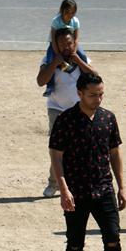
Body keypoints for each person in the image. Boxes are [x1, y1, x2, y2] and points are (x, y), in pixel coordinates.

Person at [49, 72, 126, 251]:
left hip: (104, 189)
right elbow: (56, 156)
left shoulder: (108, 119)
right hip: (76, 191)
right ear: (80, 93)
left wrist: (122, 186)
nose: (98, 99)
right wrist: (63, 189)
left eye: (101, 94)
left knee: (113, 239)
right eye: (93, 95)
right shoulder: (66, 120)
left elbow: (115, 152)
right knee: (75, 243)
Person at [38, 29, 97, 198]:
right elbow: (40, 81)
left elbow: (95, 77)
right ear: (55, 45)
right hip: (57, 108)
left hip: (80, 109)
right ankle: (53, 183)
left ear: (75, 43)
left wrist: (79, 61)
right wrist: (54, 64)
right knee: (58, 148)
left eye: (69, 43)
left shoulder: (82, 58)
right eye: (62, 44)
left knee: (82, 146)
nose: (66, 47)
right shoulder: (49, 59)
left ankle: (80, 181)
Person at [43, 0, 86, 95]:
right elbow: (53, 39)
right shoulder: (56, 21)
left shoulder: (75, 21)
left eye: (72, 13)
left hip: (71, 44)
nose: (69, 15)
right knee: (50, 60)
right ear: (62, 10)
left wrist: (74, 52)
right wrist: (58, 54)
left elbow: (76, 39)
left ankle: (86, 79)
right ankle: (50, 85)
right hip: (55, 44)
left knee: (83, 56)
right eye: (67, 12)